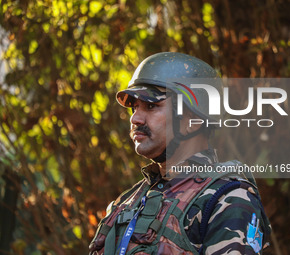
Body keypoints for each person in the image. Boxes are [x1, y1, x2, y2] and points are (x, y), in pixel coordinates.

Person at [89, 52, 271, 255]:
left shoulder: (227, 198)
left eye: (151, 106)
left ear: (193, 122)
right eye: (134, 108)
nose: (135, 119)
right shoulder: (127, 201)